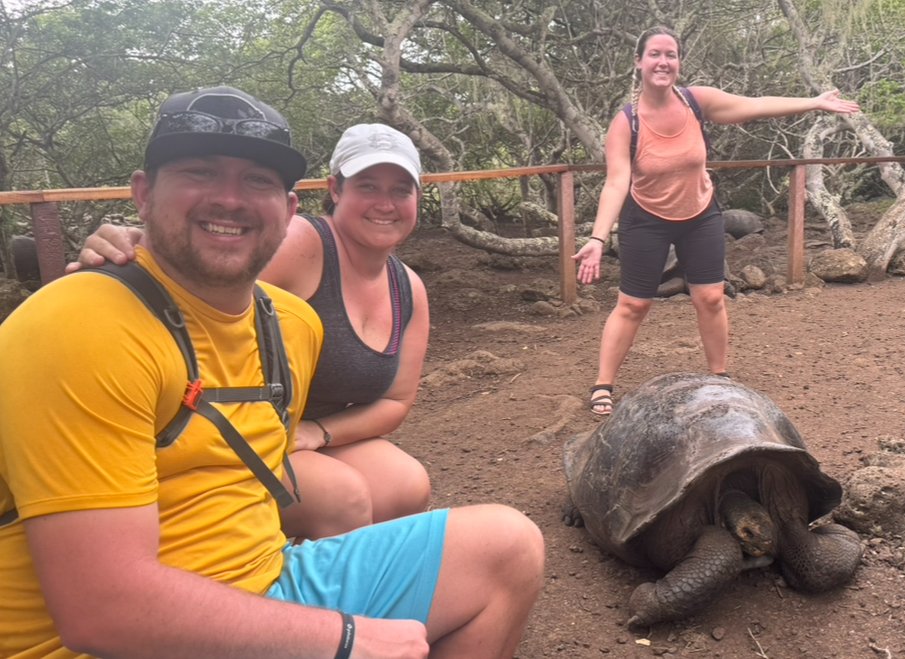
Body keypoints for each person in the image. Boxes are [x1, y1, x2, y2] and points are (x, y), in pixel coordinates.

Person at [0, 85, 543, 658]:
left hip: (265, 577)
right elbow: (101, 613)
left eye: (257, 181)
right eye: (200, 173)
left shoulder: (292, 324)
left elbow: (254, 478)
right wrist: (344, 636)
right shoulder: (78, 326)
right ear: (142, 194)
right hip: (110, 638)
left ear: (287, 209)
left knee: (507, 546)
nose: (229, 200)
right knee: (349, 502)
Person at [71, 123, 433, 540]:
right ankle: (291, 593)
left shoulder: (408, 288)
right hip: (222, 424)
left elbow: (396, 399)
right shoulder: (300, 243)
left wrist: (318, 432)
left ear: (417, 198)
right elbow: (200, 275)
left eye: (400, 190)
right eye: (368, 186)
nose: (384, 204)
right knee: (342, 496)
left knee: (405, 484)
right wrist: (135, 248)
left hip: (302, 429)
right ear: (335, 189)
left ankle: (309, 568)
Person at [571, 25, 860, 415]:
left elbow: (753, 105)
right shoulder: (627, 123)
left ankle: (719, 378)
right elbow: (616, 182)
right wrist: (597, 238)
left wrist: (813, 102)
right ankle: (603, 383)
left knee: (709, 296)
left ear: (678, 63)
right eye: (655, 54)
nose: (663, 61)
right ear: (639, 62)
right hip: (646, 218)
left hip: (700, 213)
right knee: (634, 305)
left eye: (670, 55)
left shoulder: (695, 102)